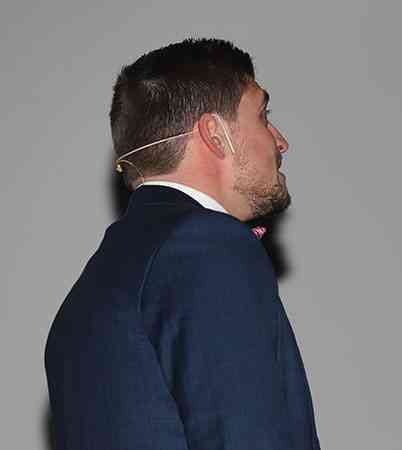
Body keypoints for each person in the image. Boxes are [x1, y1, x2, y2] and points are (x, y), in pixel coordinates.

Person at [44, 38, 321, 450]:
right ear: (215, 134)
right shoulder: (207, 247)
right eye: (263, 116)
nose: (280, 141)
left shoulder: (90, 291)